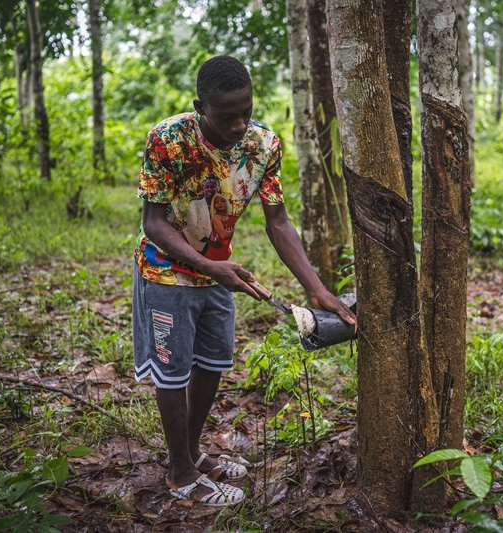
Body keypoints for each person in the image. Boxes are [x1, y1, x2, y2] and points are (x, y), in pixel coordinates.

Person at [133, 55, 356, 507]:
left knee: (213, 362)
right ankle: (180, 473)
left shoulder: (262, 145)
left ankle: (191, 454)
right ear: (200, 108)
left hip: (218, 270)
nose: (239, 125)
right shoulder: (168, 140)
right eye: (226, 116)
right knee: (173, 372)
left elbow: (278, 221)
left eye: (246, 112)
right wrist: (209, 266)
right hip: (165, 270)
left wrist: (316, 289)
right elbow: (153, 222)